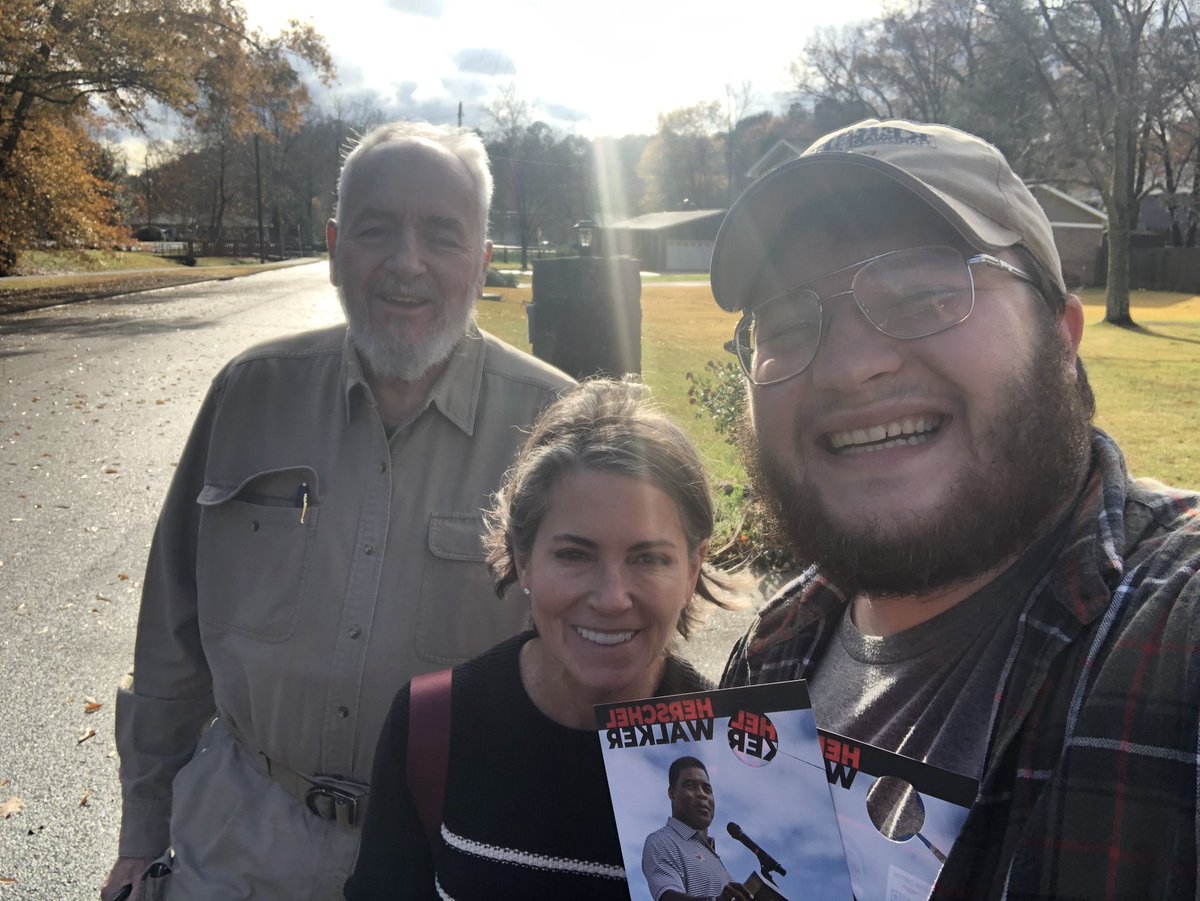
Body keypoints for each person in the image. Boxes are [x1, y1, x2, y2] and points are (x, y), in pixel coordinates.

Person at [710, 117, 1200, 898]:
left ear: (1062, 337)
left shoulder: (1173, 634)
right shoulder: (773, 650)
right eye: (789, 322)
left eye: (925, 292)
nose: (851, 366)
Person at [100, 121, 574, 901]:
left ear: (484, 259)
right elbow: (169, 634)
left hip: (447, 856)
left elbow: (604, 655)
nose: (405, 264)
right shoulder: (248, 394)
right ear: (332, 248)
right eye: (375, 229)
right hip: (239, 847)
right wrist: (141, 833)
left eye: (443, 235)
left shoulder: (556, 428)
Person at [345, 379, 731, 900]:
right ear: (523, 559)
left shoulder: (735, 755)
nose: (612, 597)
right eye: (574, 554)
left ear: (693, 569)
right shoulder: (434, 724)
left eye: (649, 558)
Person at [641, 757, 751, 901]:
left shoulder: (712, 854)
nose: (702, 794)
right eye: (690, 786)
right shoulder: (661, 840)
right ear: (672, 793)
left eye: (707, 789)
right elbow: (667, 898)